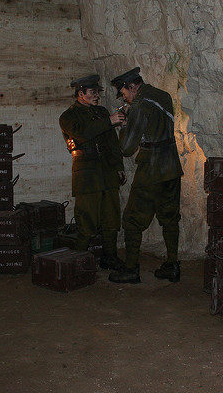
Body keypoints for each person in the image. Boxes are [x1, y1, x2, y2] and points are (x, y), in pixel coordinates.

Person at [107, 67, 183, 284]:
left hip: (151, 170)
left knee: (131, 220)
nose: (125, 98)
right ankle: (173, 264)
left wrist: (124, 125)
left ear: (132, 86)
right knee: (170, 218)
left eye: (124, 93)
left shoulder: (139, 107)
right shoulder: (163, 96)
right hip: (172, 167)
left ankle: (131, 269)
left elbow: (127, 148)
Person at [59, 74, 126, 271]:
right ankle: (78, 260)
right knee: (86, 217)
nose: (97, 95)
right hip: (86, 172)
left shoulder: (101, 112)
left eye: (98, 92)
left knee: (110, 216)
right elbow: (83, 134)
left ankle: (110, 257)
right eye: (93, 92)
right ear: (81, 94)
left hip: (106, 169)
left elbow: (112, 142)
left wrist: (119, 166)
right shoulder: (68, 117)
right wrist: (109, 121)